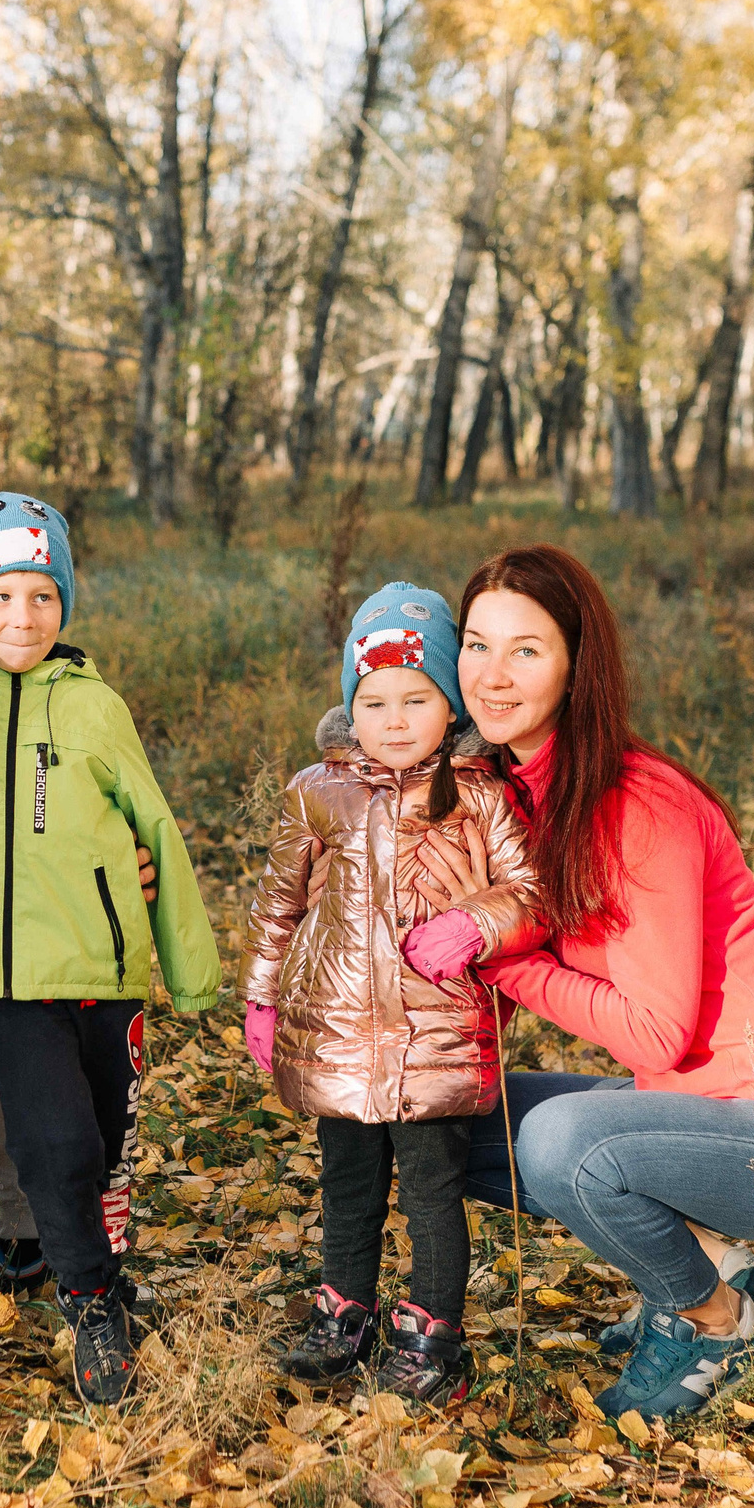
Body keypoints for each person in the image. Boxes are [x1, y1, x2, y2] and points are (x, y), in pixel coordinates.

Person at [416, 544, 754, 1423]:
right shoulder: (516, 792)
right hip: (695, 1103)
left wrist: (500, 955)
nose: (493, 675)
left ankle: (714, 1318)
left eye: (527, 649)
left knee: (557, 1142)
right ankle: (709, 1256)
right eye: (477, 644)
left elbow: (658, 1032)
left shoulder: (635, 803)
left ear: (577, 665)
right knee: (449, 1117)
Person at [0, 491, 224, 1405]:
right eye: (0, 594)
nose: (23, 616)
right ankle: (91, 1304)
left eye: (43, 596)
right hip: (11, 975)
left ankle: (95, 1265)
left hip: (108, 963)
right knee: (55, 1141)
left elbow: (154, 829)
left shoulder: (94, 705)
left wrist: (191, 970)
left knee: (108, 1142)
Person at [242, 584, 545, 1405]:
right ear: (350, 707)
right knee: (346, 1182)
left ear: (450, 705)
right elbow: (280, 899)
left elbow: (529, 889)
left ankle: (431, 1330)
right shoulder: (319, 789)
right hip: (337, 1032)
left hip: (434, 1038)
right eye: (374, 701)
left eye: (418, 698)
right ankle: (347, 1309)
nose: (396, 719)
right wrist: (261, 995)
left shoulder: (480, 794)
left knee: (430, 1190)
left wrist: (476, 924)